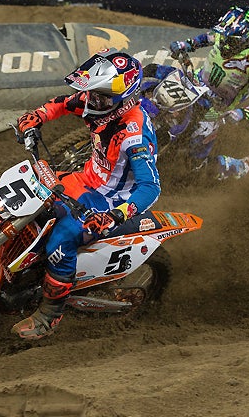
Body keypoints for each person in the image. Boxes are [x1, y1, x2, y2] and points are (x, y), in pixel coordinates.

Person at [12, 49, 161, 340]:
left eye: (99, 97)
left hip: (110, 199)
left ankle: (49, 315)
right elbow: (63, 103)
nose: (91, 101)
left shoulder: (135, 132)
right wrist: (37, 116)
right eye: (92, 94)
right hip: (86, 179)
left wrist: (115, 215)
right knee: (24, 197)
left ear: (122, 99)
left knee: (61, 240)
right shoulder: (100, 101)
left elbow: (150, 187)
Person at [151, 5, 249, 180]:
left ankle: (243, 167)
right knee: (154, 72)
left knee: (195, 167)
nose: (224, 43)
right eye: (224, 37)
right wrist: (185, 45)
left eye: (233, 40)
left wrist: (241, 113)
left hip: (214, 110)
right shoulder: (222, 36)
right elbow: (204, 39)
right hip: (194, 84)